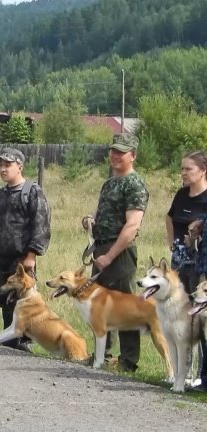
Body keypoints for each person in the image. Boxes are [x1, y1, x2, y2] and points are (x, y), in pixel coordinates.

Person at [84, 132, 148, 372]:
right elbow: (103, 212)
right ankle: (103, 355)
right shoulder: (110, 182)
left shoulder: (134, 184)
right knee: (100, 304)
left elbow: (132, 226)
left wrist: (110, 256)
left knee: (126, 307)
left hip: (119, 252)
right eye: (114, 151)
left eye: (122, 152)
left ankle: (128, 361)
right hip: (101, 247)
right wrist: (91, 219)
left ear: (133, 155)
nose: (116, 156)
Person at [0, 148, 51, 351]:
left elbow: (41, 225)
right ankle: (9, 337)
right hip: (0, 256)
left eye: (7, 165)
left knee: (23, 298)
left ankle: (24, 340)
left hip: (21, 257)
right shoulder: (0, 194)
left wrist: (32, 255)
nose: (2, 169)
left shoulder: (32, 191)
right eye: (0, 165)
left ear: (19, 166)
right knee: (4, 296)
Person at [168, 150, 207, 391]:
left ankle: (201, 376)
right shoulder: (182, 194)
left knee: (201, 320)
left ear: (202, 171)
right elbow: (169, 217)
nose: (183, 173)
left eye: (188, 169)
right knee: (181, 316)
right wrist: (171, 241)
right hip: (180, 262)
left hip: (201, 264)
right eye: (182, 168)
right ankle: (183, 374)